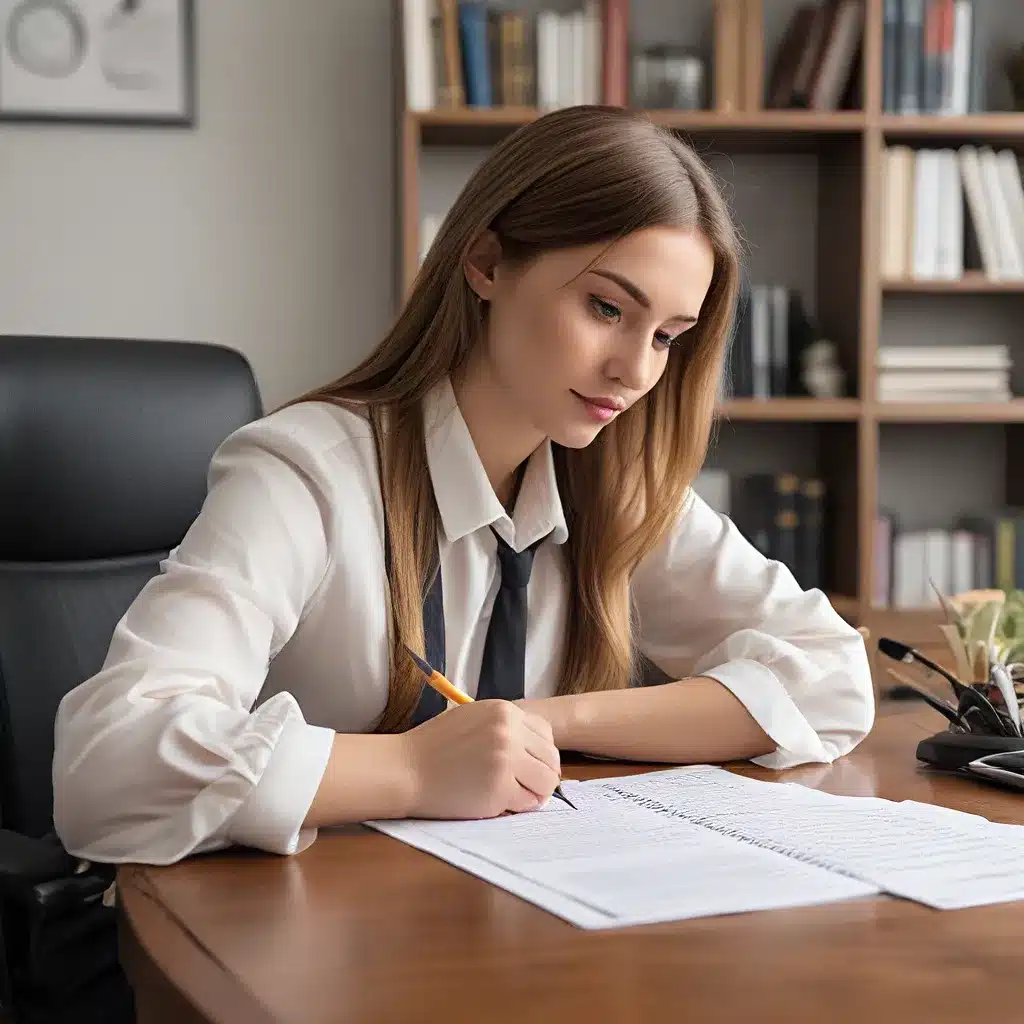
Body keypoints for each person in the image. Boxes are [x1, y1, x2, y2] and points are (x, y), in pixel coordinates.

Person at [52, 106, 874, 867]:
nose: (635, 371)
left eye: (666, 336)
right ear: (485, 263)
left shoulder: (611, 483)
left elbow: (830, 675)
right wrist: (411, 767)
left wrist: (550, 722)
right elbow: (109, 763)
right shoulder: (308, 473)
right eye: (605, 308)